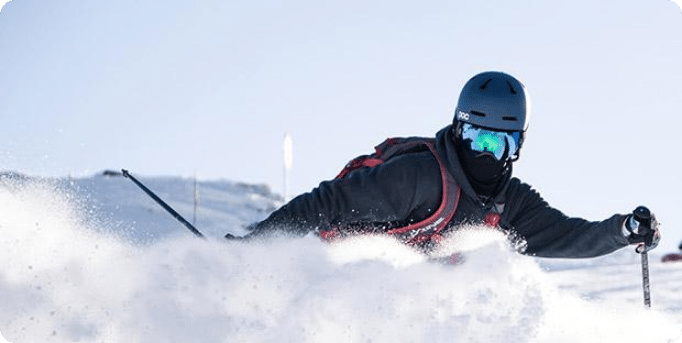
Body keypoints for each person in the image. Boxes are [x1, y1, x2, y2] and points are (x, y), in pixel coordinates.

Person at [227, 71, 661, 258]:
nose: (485, 152)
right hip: (328, 272)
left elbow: (569, 236)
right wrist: (256, 247)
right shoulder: (417, 178)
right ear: (458, 129)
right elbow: (326, 202)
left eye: (499, 141)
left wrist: (623, 230)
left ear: (518, 145)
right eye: (476, 136)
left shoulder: (511, 204)